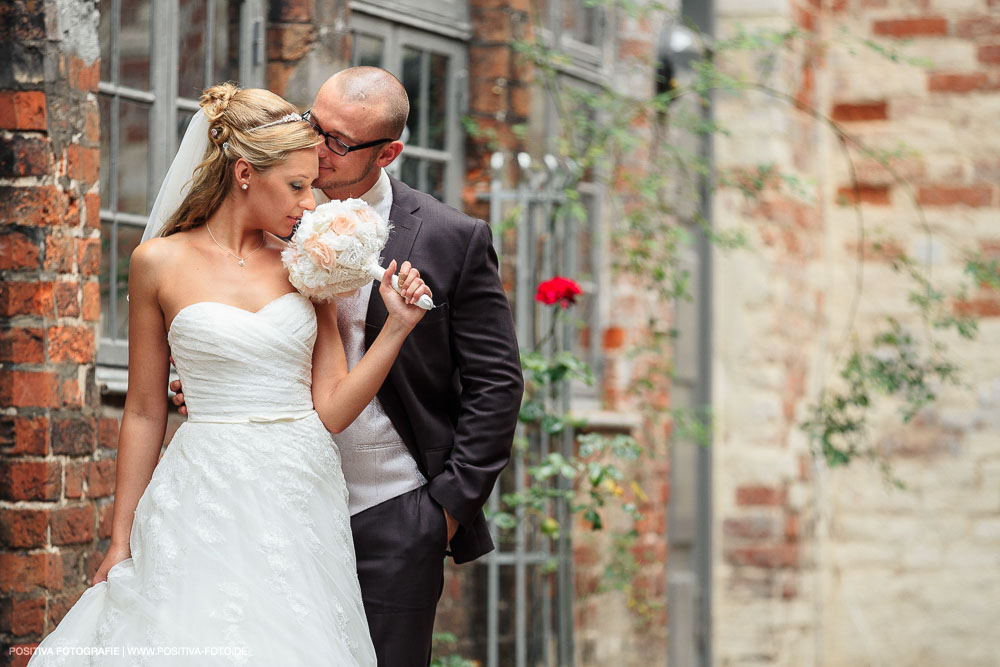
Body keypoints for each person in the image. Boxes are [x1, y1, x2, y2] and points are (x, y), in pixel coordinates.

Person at [28, 83, 433, 666]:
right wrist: (119, 540)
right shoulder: (157, 263)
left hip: (298, 489)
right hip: (202, 486)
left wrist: (395, 328)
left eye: (312, 185)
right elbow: (144, 410)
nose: (309, 202)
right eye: (296, 185)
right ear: (245, 173)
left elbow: (334, 410)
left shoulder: (305, 264)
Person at [172, 66, 525, 666]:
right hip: (270, 506)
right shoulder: (267, 221)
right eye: (314, 125)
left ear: (388, 152)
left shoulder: (450, 238)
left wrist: (442, 513)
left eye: (337, 142)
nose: (316, 148)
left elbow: (497, 383)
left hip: (392, 511)